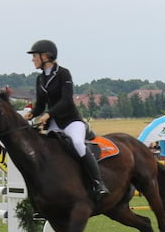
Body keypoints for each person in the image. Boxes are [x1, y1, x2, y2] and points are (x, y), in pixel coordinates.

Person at [22, 39, 109, 197]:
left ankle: (98, 182)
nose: (32, 59)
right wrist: (33, 113)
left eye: (35, 56)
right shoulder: (40, 79)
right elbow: (41, 104)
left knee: (76, 143)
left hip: (71, 121)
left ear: (46, 56)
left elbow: (66, 100)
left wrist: (49, 114)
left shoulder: (63, 73)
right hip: (53, 125)